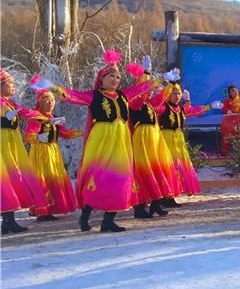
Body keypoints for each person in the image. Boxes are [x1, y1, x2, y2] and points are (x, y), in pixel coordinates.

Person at [46, 50, 165, 232]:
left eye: (118, 77)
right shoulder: (94, 95)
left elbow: (142, 88)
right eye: (111, 76)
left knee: (120, 179)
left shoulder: (124, 95)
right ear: (101, 79)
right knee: (98, 178)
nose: (115, 79)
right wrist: (53, 87)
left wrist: (162, 79)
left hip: (121, 141)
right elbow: (71, 95)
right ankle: (85, 216)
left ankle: (108, 220)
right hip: (101, 140)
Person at [128, 58, 180, 218]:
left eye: (151, 89)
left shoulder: (151, 104)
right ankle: (139, 207)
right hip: (142, 139)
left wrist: (171, 83)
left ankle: (156, 204)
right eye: (147, 89)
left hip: (155, 138)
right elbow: (141, 89)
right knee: (144, 172)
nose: (150, 91)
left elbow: (163, 95)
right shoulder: (135, 103)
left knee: (159, 170)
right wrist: (147, 73)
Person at [156, 83, 223, 207]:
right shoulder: (163, 108)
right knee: (167, 167)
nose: (176, 96)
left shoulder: (181, 109)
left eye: (178, 93)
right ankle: (163, 197)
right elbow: (154, 106)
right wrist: (161, 93)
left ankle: (171, 197)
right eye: (174, 93)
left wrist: (210, 106)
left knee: (178, 168)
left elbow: (195, 111)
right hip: (166, 139)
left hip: (178, 140)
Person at [1, 68, 48, 234]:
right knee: (5, 178)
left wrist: (42, 117)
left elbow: (25, 112)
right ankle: (8, 221)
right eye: (10, 83)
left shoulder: (10, 103)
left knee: (12, 179)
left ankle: (8, 222)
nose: (14, 86)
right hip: (2, 143)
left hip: (12, 142)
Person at [26, 89, 81, 221]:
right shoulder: (36, 117)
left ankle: (50, 208)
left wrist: (82, 132)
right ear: (40, 102)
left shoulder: (54, 118)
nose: (51, 103)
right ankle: (41, 210)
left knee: (54, 178)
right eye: (47, 100)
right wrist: (38, 138)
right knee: (43, 178)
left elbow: (65, 133)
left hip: (53, 151)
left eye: (53, 100)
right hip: (41, 151)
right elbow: (29, 136)